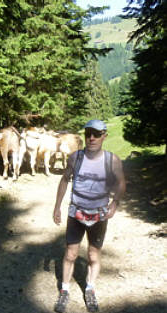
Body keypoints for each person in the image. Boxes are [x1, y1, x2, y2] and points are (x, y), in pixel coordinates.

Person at [52, 119, 126, 313]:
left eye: (96, 134)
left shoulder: (112, 160)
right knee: (70, 254)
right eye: (88, 134)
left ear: (104, 136)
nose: (91, 138)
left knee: (93, 255)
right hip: (76, 212)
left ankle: (90, 289)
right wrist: (57, 206)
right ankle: (65, 290)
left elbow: (121, 183)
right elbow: (64, 180)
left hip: (98, 215)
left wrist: (115, 203)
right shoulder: (75, 157)